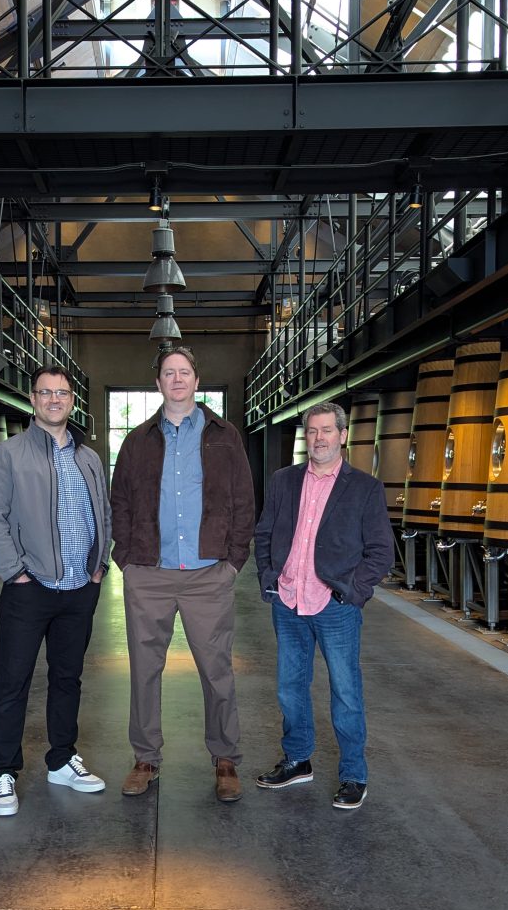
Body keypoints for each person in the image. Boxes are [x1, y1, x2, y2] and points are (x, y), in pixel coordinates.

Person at [110, 346, 255, 802]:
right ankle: (145, 758)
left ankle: (226, 758)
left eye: (184, 372)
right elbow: (120, 502)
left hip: (208, 574)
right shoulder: (137, 440)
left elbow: (243, 500)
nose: (177, 379)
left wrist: (233, 561)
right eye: (169, 372)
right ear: (158, 383)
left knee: (217, 671)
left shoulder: (225, 436)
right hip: (149, 573)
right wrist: (127, 559)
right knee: (144, 670)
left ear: (196, 380)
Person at [0, 365, 111, 816]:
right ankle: (3, 773)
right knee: (12, 681)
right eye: (45, 392)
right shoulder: (8, 455)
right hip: (29, 588)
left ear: (72, 401)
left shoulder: (88, 458)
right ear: (33, 399)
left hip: (79, 588)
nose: (55, 399)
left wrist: (99, 566)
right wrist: (14, 572)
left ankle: (61, 759)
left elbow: (103, 513)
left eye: (62, 393)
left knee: (67, 678)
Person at [254, 401, 393, 810]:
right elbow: (264, 534)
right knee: (290, 687)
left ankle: (353, 774)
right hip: (288, 601)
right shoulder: (283, 480)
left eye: (327, 430)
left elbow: (381, 552)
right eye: (312, 431)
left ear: (342, 435)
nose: (319, 438)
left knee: (346, 691)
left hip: (335, 606)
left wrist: (352, 591)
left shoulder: (365, 488)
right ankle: (298, 760)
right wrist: (270, 578)